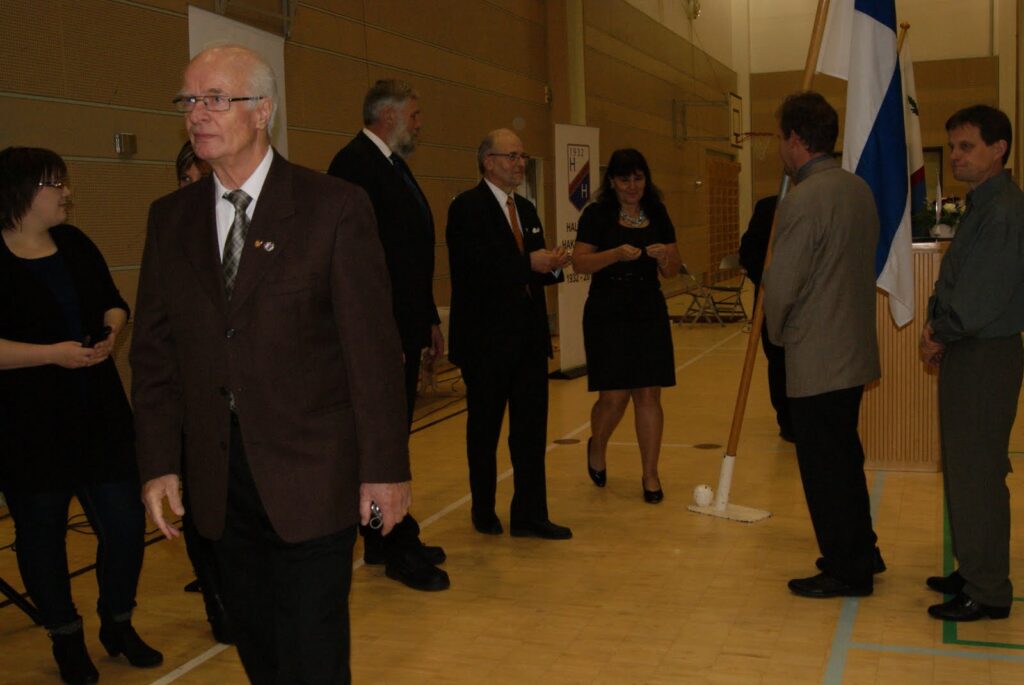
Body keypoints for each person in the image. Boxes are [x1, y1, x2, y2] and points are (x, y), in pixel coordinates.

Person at [130, 45, 411, 684]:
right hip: (218, 482)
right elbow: (155, 353)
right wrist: (158, 463)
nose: (196, 113)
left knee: (313, 657)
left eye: (215, 98)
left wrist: (385, 470)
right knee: (258, 650)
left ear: (263, 111)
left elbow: (371, 353)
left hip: (312, 473)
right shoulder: (170, 219)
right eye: (188, 100)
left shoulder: (332, 206)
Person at [0, 147, 162, 685]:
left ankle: (117, 621)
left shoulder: (73, 243)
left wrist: (112, 331)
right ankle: (66, 636)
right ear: (24, 192)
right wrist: (52, 354)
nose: (67, 193)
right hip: (28, 426)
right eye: (56, 184)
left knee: (126, 524)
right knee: (41, 535)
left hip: (99, 414)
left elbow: (113, 302)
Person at [327, 79, 448, 592]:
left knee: (393, 436)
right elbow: (358, 266)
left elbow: (409, 253)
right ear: (389, 115)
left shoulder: (393, 166)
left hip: (403, 323)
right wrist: (384, 335)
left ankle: (381, 535)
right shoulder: (354, 166)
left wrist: (428, 319)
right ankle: (393, 541)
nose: (420, 125)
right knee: (382, 441)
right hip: (379, 332)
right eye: (414, 115)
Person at [763, 92, 883, 599]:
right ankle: (860, 550)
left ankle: (846, 569)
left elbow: (781, 286)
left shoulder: (803, 199)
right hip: (852, 349)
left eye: (780, 138)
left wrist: (776, 334)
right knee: (845, 458)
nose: (780, 147)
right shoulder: (859, 189)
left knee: (824, 469)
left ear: (795, 139)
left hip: (816, 355)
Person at [919, 105, 1024, 622]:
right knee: (964, 467)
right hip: (970, 349)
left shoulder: (1002, 210)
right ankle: (974, 568)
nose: (956, 156)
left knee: (978, 472)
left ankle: (988, 590)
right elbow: (956, 279)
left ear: (998, 149)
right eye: (953, 146)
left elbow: (978, 299)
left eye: (967, 146)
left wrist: (938, 332)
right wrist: (937, 324)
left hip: (984, 352)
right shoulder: (984, 203)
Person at [446, 128, 573, 539]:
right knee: (485, 431)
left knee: (531, 433)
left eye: (522, 156)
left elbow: (534, 269)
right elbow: (475, 270)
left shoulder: (527, 210)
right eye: (512, 156)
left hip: (529, 341)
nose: (520, 163)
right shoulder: (467, 208)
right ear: (489, 162)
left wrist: (554, 265)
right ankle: (483, 509)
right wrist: (529, 264)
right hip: (486, 343)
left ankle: (530, 513)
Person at [571, 148, 680, 503]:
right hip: (608, 311)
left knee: (649, 394)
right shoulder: (596, 214)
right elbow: (580, 263)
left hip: (648, 308)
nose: (632, 186)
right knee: (614, 398)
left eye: (638, 178)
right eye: (624, 179)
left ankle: (650, 474)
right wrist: (615, 254)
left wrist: (665, 257)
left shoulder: (658, 212)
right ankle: (597, 445)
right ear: (612, 181)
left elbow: (672, 270)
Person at [171, 139, 234, 643]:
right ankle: (218, 603)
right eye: (188, 181)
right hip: (194, 404)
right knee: (201, 514)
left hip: (239, 405)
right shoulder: (172, 232)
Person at [738, 195, 794, 442]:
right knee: (779, 362)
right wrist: (771, 282)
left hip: (813, 304)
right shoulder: (769, 206)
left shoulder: (823, 202)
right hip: (772, 301)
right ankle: (787, 421)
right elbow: (749, 253)